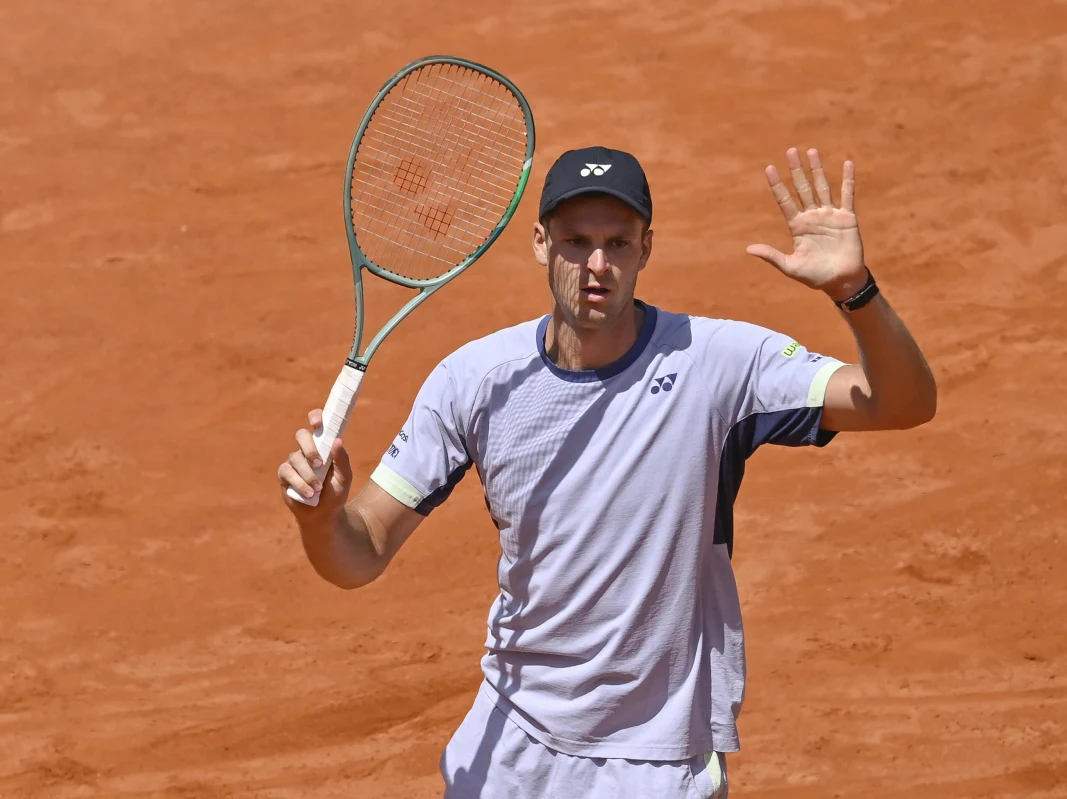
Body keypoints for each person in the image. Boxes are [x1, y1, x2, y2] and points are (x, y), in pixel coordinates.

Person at [278, 145, 936, 798]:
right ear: (540, 243)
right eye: (575, 241)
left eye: (618, 243)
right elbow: (359, 553)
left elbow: (902, 402)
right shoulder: (475, 381)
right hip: (510, 749)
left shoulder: (719, 364)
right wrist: (320, 519)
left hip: (653, 760)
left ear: (646, 249)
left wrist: (856, 291)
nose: (597, 265)